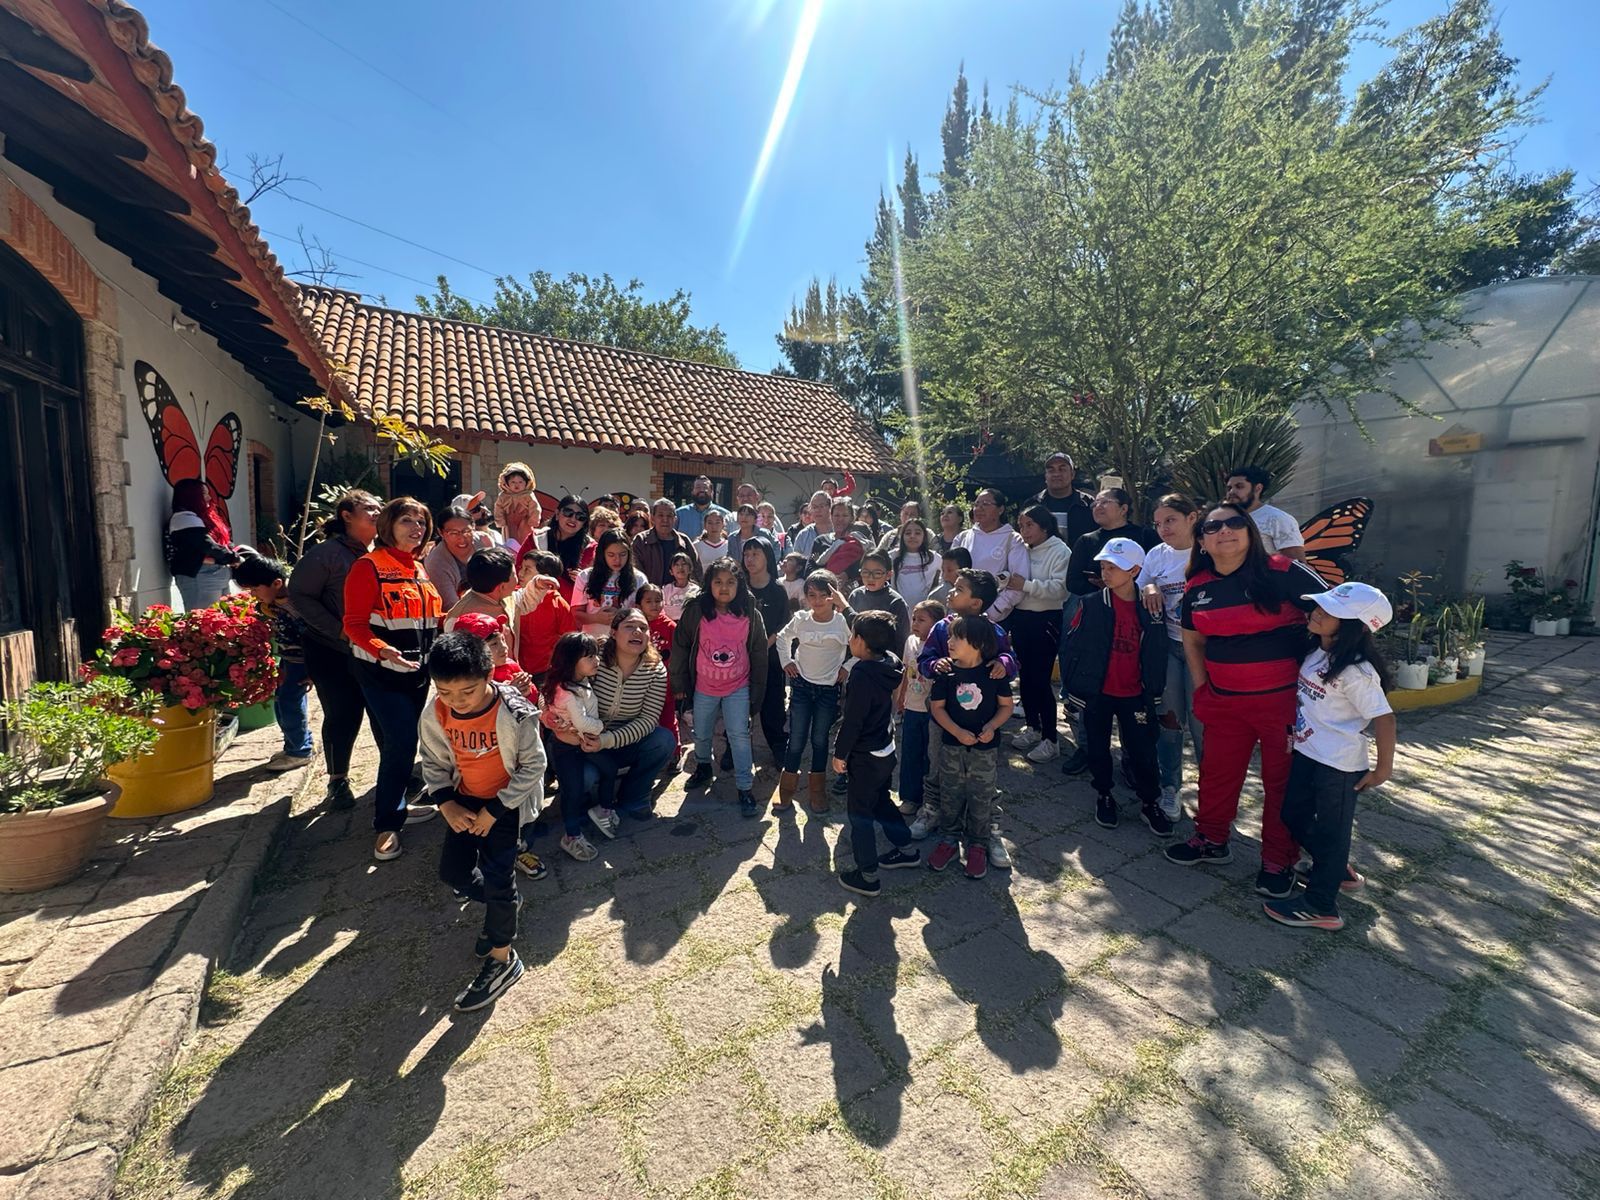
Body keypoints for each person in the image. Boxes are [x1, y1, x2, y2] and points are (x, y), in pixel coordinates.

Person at [1164, 503, 1329, 899]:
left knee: (1282, 784)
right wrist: (1203, 687)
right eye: (1213, 526)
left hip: (1285, 706)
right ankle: (1211, 839)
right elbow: (1192, 639)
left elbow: (1335, 614)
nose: (1225, 531)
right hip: (1224, 703)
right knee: (1217, 775)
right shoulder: (1198, 587)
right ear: (1201, 540)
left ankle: (1278, 860)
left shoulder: (1283, 572)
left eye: (1235, 522)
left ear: (1250, 529)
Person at [419, 631, 543, 1012]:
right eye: (445, 691)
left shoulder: (515, 711)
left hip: (504, 804)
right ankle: (502, 906)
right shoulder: (435, 712)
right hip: (463, 800)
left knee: (498, 877)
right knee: (453, 872)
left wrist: (496, 810)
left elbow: (534, 765)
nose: (456, 701)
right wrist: (445, 803)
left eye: (467, 692)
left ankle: (504, 960)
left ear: (489, 674)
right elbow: (433, 761)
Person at [1263, 582, 1398, 929]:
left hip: (1339, 765)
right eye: (1320, 606)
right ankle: (1335, 867)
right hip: (1308, 752)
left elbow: (1384, 718)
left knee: (1334, 831)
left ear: (1354, 625)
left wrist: (1383, 769)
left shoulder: (1357, 672)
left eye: (1330, 612)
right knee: (1293, 814)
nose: (1317, 613)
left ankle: (1322, 905)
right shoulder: (1317, 651)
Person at [342, 496, 444, 862]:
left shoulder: (419, 569)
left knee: (395, 744)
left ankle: (398, 804)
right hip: (379, 672)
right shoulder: (367, 567)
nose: (416, 528)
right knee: (403, 741)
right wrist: (382, 649)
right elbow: (352, 625)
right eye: (407, 521)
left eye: (421, 522)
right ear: (389, 525)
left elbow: (429, 621)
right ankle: (387, 824)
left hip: (417, 674)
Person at [1061, 538, 1169, 834]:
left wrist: (1155, 690)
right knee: (1098, 747)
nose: (1106, 573)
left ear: (1135, 570)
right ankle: (1104, 794)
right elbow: (1073, 646)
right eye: (1104, 566)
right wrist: (1075, 690)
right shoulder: (1091, 604)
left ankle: (1150, 801)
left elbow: (1158, 650)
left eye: (1115, 567)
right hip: (1099, 693)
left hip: (1135, 693)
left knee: (1143, 750)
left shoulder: (1151, 606)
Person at [913, 570, 1019, 862]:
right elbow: (925, 660)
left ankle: (988, 829)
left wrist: (1002, 663)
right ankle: (934, 812)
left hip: (982, 724)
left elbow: (1010, 657)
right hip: (945, 718)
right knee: (938, 766)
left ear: (976, 603)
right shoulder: (941, 629)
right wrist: (936, 665)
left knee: (984, 778)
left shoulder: (991, 631)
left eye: (959, 589)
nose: (950, 592)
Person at [289, 489, 382, 810]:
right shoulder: (326, 554)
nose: (377, 512)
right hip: (332, 650)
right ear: (347, 516)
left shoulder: (380, 551)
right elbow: (299, 596)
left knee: (382, 712)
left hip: (374, 649)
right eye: (369, 507)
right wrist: (339, 630)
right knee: (343, 714)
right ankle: (337, 779)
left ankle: (393, 773)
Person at [1060, 487, 1160, 774]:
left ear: (1125, 507)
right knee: (1091, 687)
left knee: (1131, 693)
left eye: (1106, 501)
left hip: (1133, 620)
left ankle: (1132, 758)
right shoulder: (1086, 540)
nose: (1098, 506)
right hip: (1094, 617)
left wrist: (1128, 589)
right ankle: (1086, 749)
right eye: (1096, 502)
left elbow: (1152, 576)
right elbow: (1073, 583)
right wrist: (1106, 587)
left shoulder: (1144, 537)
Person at [671, 559, 768, 817]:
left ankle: (745, 787)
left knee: (739, 735)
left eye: (730, 582)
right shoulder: (696, 611)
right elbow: (681, 645)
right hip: (704, 686)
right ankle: (703, 767)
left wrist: (757, 691)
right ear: (708, 584)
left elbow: (759, 652)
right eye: (718, 582)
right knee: (701, 733)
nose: (724, 588)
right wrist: (680, 683)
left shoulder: (750, 613)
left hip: (738, 686)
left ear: (740, 584)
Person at [834, 611, 920, 895]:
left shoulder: (861, 674)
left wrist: (840, 754)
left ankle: (867, 874)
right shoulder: (891, 663)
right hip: (886, 750)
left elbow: (853, 721)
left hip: (865, 756)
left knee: (860, 814)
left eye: (852, 635)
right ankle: (906, 849)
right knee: (881, 800)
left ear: (860, 641)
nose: (849, 639)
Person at [926, 615, 1015, 880]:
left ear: (977, 643)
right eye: (949, 636)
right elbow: (937, 708)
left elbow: (1006, 706)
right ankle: (949, 839)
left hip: (985, 750)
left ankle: (978, 843)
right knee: (951, 793)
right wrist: (957, 731)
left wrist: (991, 727)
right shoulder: (946, 673)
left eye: (956, 637)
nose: (949, 642)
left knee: (982, 794)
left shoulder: (994, 672)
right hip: (952, 746)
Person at [1141, 494, 1205, 822]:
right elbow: (1140, 587)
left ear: (1192, 517)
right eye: (1158, 523)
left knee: (1203, 724)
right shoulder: (1156, 555)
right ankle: (1170, 787)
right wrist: (1149, 587)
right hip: (1168, 647)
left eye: (1170, 520)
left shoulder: (1209, 550)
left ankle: (1213, 794)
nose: (1163, 528)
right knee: (1169, 723)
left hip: (1205, 653)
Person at [584, 608, 675, 820]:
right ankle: (585, 802)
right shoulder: (593, 656)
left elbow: (648, 720)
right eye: (629, 626)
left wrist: (606, 740)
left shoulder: (655, 669)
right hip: (585, 741)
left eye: (643, 628)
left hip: (624, 740)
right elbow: (562, 686)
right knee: (585, 779)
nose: (637, 632)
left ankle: (634, 795)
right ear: (613, 632)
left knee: (663, 741)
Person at [774, 570, 853, 814]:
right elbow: (782, 638)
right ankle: (786, 787)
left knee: (820, 740)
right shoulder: (801, 619)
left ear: (835, 596)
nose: (818, 601)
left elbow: (863, 645)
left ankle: (817, 790)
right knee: (796, 739)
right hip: (801, 687)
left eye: (824, 595)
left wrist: (848, 666)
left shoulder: (843, 623)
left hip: (828, 690)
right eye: (812, 595)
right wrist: (786, 660)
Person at [232, 552, 311, 774]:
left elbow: (313, 639)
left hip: (300, 663)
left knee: (289, 703)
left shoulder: (295, 608)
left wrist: (315, 670)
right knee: (284, 701)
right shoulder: (275, 603)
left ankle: (299, 751)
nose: (254, 596)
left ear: (276, 583)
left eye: (255, 590)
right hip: (287, 659)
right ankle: (296, 744)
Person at [541, 631, 614, 861]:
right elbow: (582, 722)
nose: (597, 661)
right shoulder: (568, 693)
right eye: (590, 657)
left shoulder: (577, 681)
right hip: (568, 748)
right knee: (571, 791)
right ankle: (572, 836)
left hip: (584, 743)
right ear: (572, 661)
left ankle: (603, 809)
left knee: (609, 769)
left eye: (596, 655)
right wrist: (601, 726)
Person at [1010, 504, 1071, 763]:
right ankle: (1032, 727)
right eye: (1021, 526)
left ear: (1044, 526)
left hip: (1046, 619)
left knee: (1041, 679)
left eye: (1029, 525)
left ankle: (1050, 739)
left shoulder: (1060, 551)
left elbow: (1060, 590)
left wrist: (1026, 586)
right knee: (1024, 675)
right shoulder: (1022, 549)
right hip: (1021, 617)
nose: (1024, 531)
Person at [742, 537, 791, 766]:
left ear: (768, 557)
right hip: (740, 657)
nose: (750, 559)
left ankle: (779, 745)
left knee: (773, 705)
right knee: (740, 704)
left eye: (756, 554)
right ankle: (736, 746)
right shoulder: (739, 586)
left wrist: (763, 647)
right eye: (747, 554)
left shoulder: (778, 589)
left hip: (770, 658)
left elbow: (783, 625)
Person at [896, 599, 945, 823]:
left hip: (933, 711)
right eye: (914, 618)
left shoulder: (942, 646)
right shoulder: (910, 642)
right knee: (910, 753)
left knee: (931, 756)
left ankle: (930, 799)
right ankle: (909, 797)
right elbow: (907, 670)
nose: (915, 623)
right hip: (912, 708)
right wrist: (901, 697)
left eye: (921, 620)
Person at [952, 489, 1029, 623]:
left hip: (994, 619)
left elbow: (1018, 585)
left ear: (1000, 509)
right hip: (960, 615)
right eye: (976, 504)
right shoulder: (962, 537)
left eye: (986, 504)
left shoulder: (1012, 539)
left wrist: (993, 611)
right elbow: (949, 573)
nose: (979, 508)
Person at [167, 478, 239, 610]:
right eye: (204, 494)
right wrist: (232, 558)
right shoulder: (184, 518)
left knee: (225, 622)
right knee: (205, 623)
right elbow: (207, 545)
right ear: (191, 497)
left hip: (216, 574)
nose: (209, 498)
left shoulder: (200, 518)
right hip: (201, 576)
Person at [515, 551, 577, 688]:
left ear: (546, 578)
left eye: (527, 569)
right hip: (516, 669)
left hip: (545, 671)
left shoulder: (557, 604)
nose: (520, 573)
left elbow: (570, 639)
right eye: (521, 567)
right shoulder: (513, 597)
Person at [635, 584, 681, 756]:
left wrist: (679, 684)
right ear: (638, 605)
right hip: (640, 685)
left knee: (668, 719)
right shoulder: (634, 627)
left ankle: (675, 753)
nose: (654, 605)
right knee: (643, 723)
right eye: (649, 601)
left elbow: (678, 656)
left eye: (658, 600)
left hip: (665, 684)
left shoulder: (670, 627)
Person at [1225, 466, 1306, 560]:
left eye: (1239, 486)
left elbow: (1296, 565)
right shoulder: (1223, 518)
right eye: (1229, 488)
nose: (1232, 492)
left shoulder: (1277, 518)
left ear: (1258, 488)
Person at [573, 530, 643, 632]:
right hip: (593, 640)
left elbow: (644, 613)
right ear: (602, 554)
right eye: (611, 555)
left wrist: (621, 616)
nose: (617, 560)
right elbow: (576, 613)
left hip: (625, 641)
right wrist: (596, 618)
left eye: (622, 554)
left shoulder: (639, 578)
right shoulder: (585, 576)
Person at [1030, 452, 1097, 546]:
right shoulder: (1033, 504)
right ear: (1045, 476)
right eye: (1051, 470)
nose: (1056, 474)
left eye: (1062, 469)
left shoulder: (1088, 504)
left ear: (1072, 474)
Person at [444, 548, 517, 631]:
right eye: (514, 574)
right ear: (502, 587)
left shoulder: (507, 597)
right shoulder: (458, 619)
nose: (519, 574)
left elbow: (525, 600)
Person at [633, 498, 702, 586]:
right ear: (652, 518)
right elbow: (636, 572)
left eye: (669, 516)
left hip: (680, 596)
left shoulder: (684, 541)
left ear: (675, 519)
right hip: (650, 596)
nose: (665, 520)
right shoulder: (641, 540)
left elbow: (696, 571)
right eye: (660, 515)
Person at [849, 551, 910, 649]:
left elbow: (902, 639)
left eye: (877, 573)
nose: (870, 578)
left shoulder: (896, 602)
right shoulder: (856, 595)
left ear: (889, 575)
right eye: (866, 572)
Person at [424, 504, 478, 610]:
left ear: (474, 527)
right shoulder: (436, 563)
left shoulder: (485, 542)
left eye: (466, 531)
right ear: (441, 532)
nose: (461, 538)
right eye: (453, 533)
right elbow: (452, 607)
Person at [543, 496, 592, 600]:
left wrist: (584, 580)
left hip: (571, 607)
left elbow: (598, 584)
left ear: (584, 523)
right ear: (557, 514)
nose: (573, 519)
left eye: (580, 517)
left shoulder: (591, 548)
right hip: (536, 601)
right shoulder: (537, 538)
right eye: (568, 512)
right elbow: (520, 569)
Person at [890, 518, 942, 606]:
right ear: (902, 536)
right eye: (908, 533)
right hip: (900, 609)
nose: (912, 536)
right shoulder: (892, 556)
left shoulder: (934, 558)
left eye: (917, 533)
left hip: (925, 612)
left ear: (924, 536)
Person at [675, 475, 728, 539]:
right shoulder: (679, 514)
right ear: (692, 491)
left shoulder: (725, 515)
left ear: (712, 492)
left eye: (705, 487)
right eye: (698, 487)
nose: (702, 490)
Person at [662, 552, 698, 621]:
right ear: (671, 571)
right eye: (676, 565)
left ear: (690, 569)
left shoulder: (696, 590)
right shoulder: (666, 590)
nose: (680, 567)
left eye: (684, 564)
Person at [693, 509, 732, 573]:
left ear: (723, 525)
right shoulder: (696, 546)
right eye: (710, 523)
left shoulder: (730, 545)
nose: (714, 526)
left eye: (717, 523)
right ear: (705, 525)